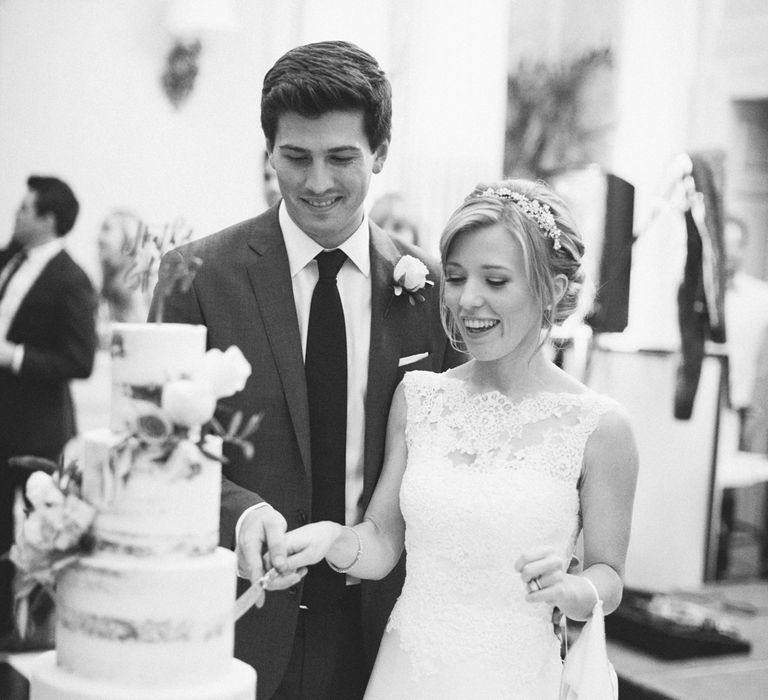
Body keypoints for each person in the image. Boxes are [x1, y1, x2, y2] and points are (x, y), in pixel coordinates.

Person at [150, 41, 465, 699]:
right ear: (269, 154)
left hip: (384, 625)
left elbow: (461, 453)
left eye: (341, 157)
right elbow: (157, 446)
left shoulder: (436, 289)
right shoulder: (196, 278)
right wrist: (238, 516)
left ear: (379, 153)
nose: (318, 182)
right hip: (236, 622)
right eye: (296, 157)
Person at [273, 179, 639, 697]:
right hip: (409, 670)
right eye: (457, 277)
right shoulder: (419, 398)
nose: (469, 300)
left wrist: (571, 589)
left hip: (516, 677)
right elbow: (381, 542)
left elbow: (609, 576)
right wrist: (334, 538)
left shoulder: (601, 427)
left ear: (553, 291)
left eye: (495, 280)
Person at [0, 175, 97, 640]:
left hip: (35, 428)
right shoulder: (7, 258)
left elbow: (79, 360)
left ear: (47, 219)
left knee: (39, 537)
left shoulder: (70, 279)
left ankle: (36, 636)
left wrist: (12, 355)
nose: (15, 215)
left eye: (24, 208)